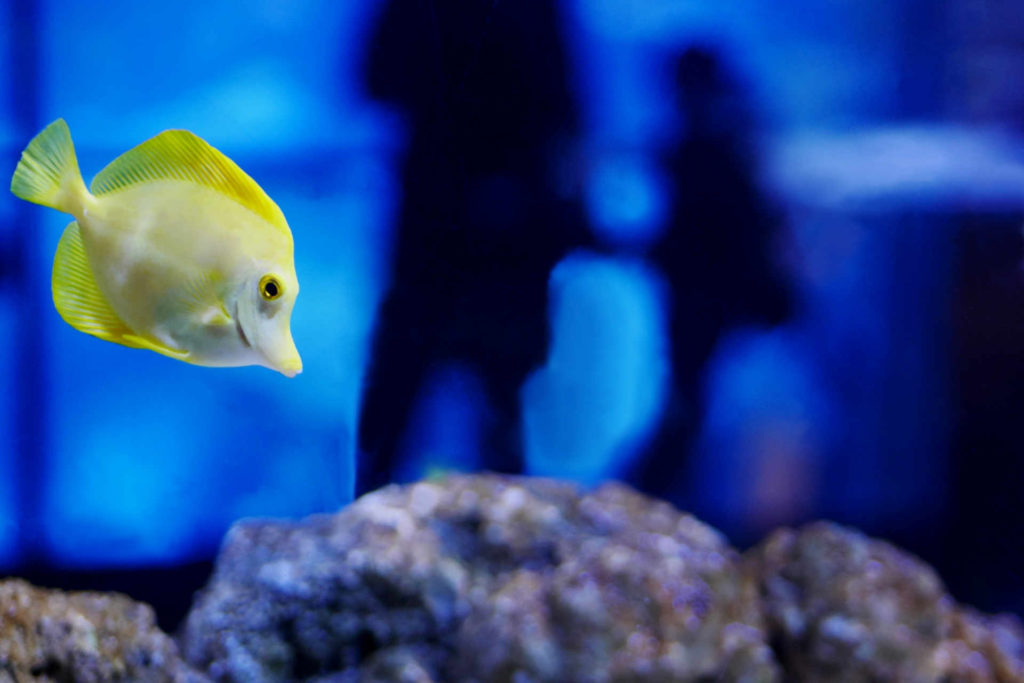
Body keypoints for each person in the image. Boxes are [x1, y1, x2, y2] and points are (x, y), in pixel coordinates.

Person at [356, 0, 590, 493]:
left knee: (421, 394)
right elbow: (567, 105)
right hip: (484, 228)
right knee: (487, 397)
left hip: (450, 226)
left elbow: (376, 78)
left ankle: (370, 520)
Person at [632, 46, 793, 500]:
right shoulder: (725, 139)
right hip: (706, 296)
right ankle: (657, 501)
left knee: (690, 405)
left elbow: (724, 227)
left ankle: (653, 501)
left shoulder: (711, 145)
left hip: (707, 297)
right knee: (689, 403)